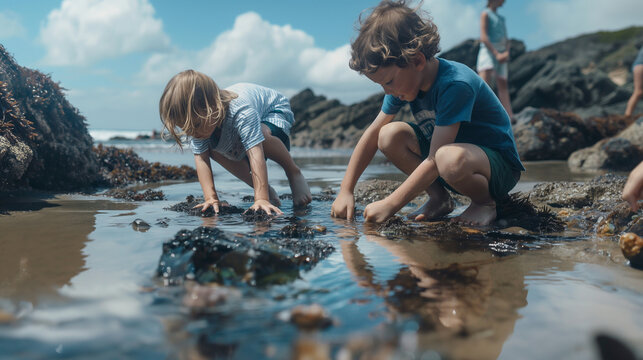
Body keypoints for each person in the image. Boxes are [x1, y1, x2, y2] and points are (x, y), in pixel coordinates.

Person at [330, 0, 524, 226]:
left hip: (496, 168)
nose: (388, 91)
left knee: (446, 157)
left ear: (418, 60)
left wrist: (391, 204)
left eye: (389, 81)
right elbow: (373, 133)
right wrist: (346, 189)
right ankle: (439, 199)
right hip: (452, 163)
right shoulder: (403, 82)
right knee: (388, 135)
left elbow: (434, 159)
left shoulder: (455, 84)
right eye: (382, 85)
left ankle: (485, 203)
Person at [159, 70, 312, 215]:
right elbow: (201, 159)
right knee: (209, 148)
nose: (193, 133)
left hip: (273, 111)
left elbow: (255, 152)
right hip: (237, 129)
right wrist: (211, 198)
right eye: (186, 128)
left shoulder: (242, 112)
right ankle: (263, 188)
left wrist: (261, 199)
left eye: (197, 125)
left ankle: (293, 172)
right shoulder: (199, 124)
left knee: (261, 133)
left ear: (213, 106)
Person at [477, 0, 515, 122]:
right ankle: (480, 113)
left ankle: (509, 115)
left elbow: (506, 38)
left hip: (501, 51)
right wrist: (496, 54)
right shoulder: (485, 14)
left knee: (503, 82)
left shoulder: (501, 18)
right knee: (484, 82)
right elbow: (484, 37)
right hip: (489, 51)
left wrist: (506, 52)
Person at [625, 46, 643, 116]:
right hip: (640, 66)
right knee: (638, 92)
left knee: (638, 92)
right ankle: (627, 116)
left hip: (638, 66)